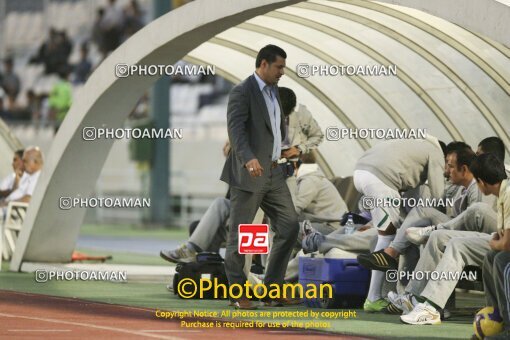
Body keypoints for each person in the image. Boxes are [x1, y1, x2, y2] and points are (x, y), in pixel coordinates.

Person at [220, 44, 299, 309]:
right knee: (243, 234)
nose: (282, 72)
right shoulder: (242, 92)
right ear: (263, 64)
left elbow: (272, 130)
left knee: (289, 226)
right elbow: (236, 130)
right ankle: (237, 292)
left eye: (283, 68)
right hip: (250, 171)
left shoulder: (275, 90)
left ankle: (271, 289)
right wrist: (248, 157)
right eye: (279, 67)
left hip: (275, 171)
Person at [399, 153, 508, 326]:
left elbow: (506, 244)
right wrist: (497, 238)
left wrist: (495, 242)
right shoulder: (503, 192)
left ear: (480, 182)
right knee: (439, 237)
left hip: (504, 250)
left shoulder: (507, 194)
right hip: (497, 242)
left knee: (458, 245)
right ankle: (415, 299)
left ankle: (431, 308)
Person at [353, 136, 446, 312]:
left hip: (360, 172)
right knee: (387, 235)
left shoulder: (412, 145)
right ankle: (373, 298)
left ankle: (383, 294)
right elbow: (438, 193)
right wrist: (440, 219)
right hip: (380, 179)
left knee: (389, 231)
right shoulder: (435, 152)